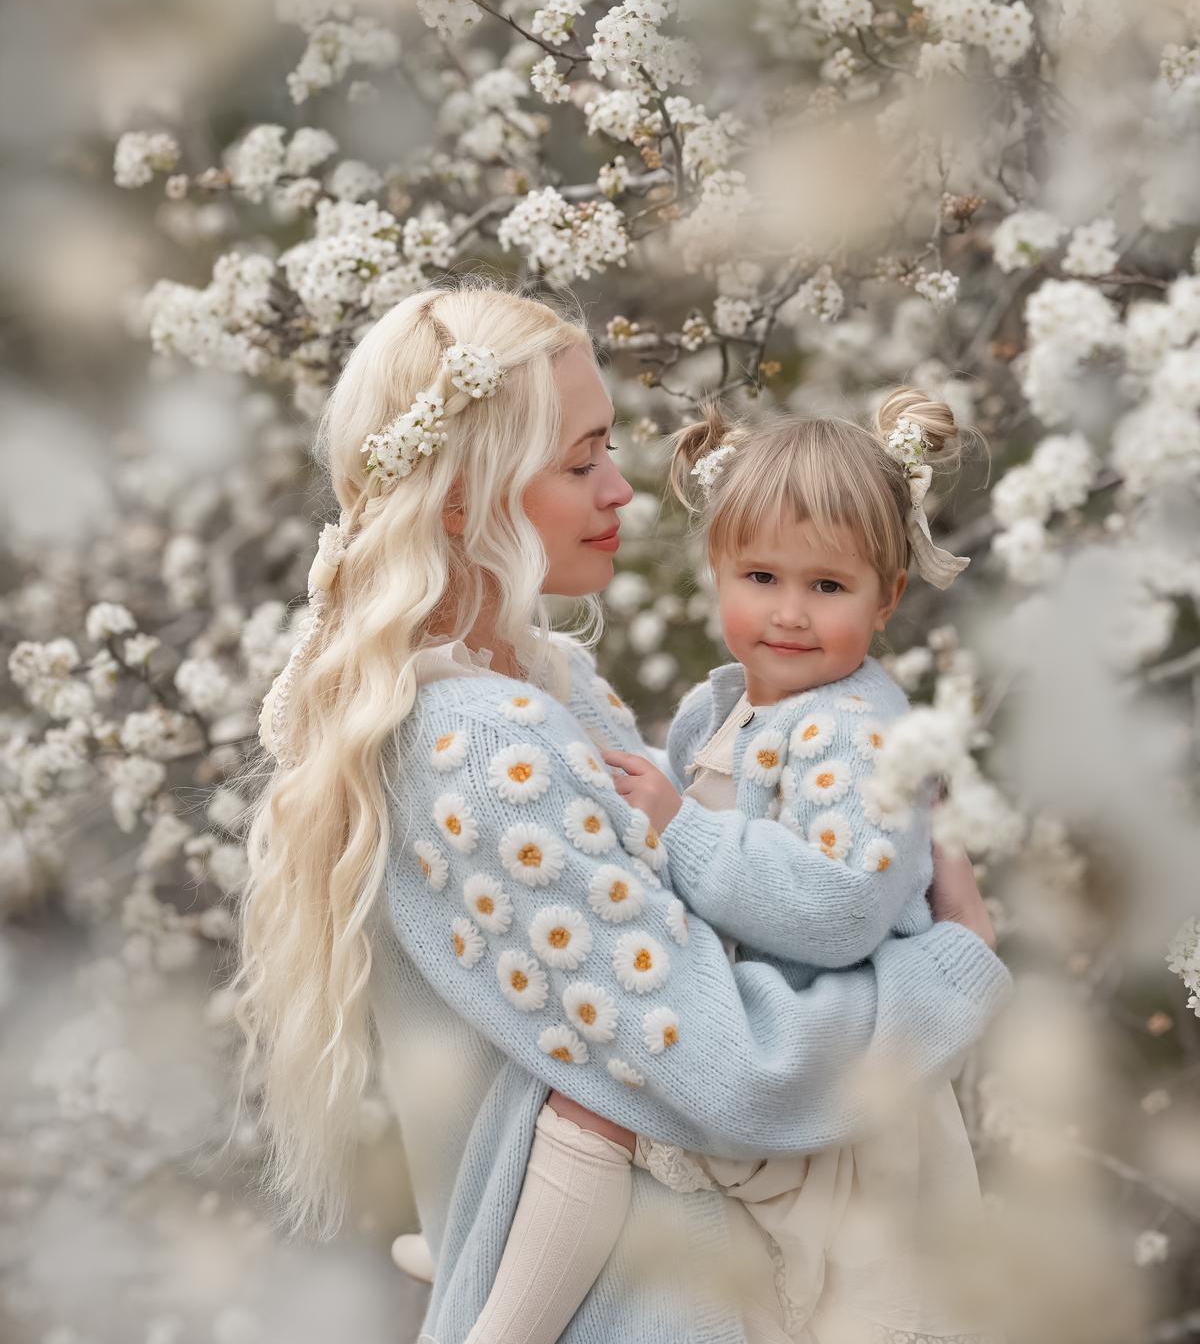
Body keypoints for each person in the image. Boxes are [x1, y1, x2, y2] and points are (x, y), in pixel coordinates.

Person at [231, 280, 1009, 1344]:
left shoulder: (551, 684)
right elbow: (731, 1067)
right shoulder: (484, 747)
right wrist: (953, 961)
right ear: (466, 494)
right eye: (583, 458)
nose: (622, 491)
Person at [464, 390, 999, 1344]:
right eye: (761, 576)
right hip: (753, 1031)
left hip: (826, 1077)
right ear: (718, 572)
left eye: (829, 588)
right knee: (569, 1071)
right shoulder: (736, 711)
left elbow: (839, 906)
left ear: (887, 599)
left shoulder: (854, 731)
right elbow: (682, 829)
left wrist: (679, 830)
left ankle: (503, 1316)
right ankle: (505, 1246)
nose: (789, 614)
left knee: (593, 1112)